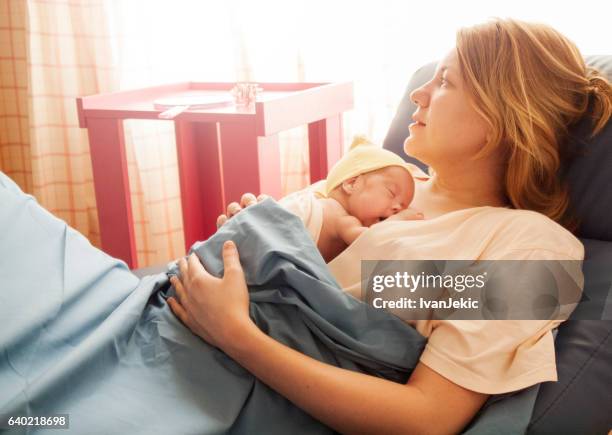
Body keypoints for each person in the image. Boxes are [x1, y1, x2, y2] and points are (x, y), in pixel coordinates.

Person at [167, 18, 612, 434]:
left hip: (232, 371)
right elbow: (296, 248)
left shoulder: (532, 245)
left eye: (444, 81)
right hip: (176, 323)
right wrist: (252, 237)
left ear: (501, 118)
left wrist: (236, 334)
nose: (417, 93)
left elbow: (429, 417)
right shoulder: (385, 178)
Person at [279, 135, 421, 262]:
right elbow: (370, 240)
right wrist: (399, 220)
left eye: (402, 207)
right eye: (391, 193)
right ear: (351, 183)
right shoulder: (336, 213)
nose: (397, 208)